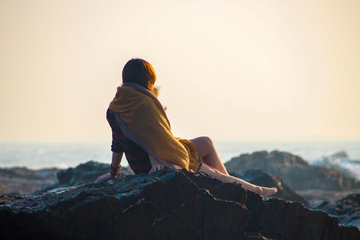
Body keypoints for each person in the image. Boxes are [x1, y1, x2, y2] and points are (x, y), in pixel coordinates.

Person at [95, 58, 277, 198]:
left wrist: (113, 172)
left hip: (145, 162)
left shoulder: (115, 106)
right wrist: (158, 163)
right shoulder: (143, 104)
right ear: (147, 79)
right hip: (155, 163)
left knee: (206, 142)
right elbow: (151, 139)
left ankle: (232, 187)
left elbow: (117, 142)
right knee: (208, 171)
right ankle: (256, 191)